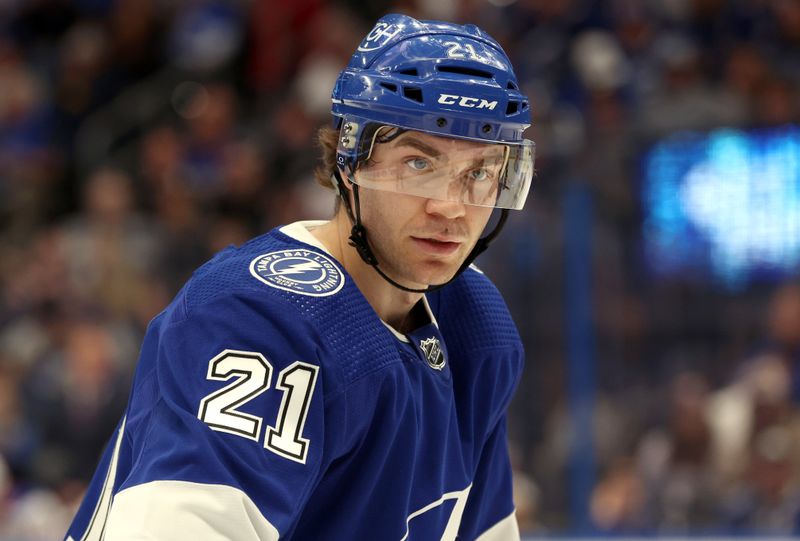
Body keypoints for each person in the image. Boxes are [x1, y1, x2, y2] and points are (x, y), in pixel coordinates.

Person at [65, 13, 535, 540]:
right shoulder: (256, 319)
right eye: (419, 164)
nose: (451, 208)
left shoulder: (477, 328)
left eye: (479, 173)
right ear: (348, 160)